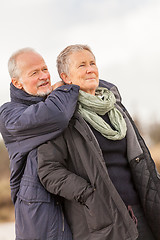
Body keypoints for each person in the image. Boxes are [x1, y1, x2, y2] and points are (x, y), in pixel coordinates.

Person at [38, 44, 160, 240]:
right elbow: (49, 171)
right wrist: (89, 194)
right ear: (66, 77)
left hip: (141, 209)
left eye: (92, 63)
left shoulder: (115, 108)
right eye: (82, 65)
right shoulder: (62, 118)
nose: (90, 69)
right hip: (103, 219)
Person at [0, 47, 80, 240]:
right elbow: (56, 115)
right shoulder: (9, 115)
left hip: (73, 208)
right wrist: (65, 86)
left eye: (44, 69)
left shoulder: (60, 102)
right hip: (39, 219)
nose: (44, 76)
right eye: (34, 72)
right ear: (17, 82)